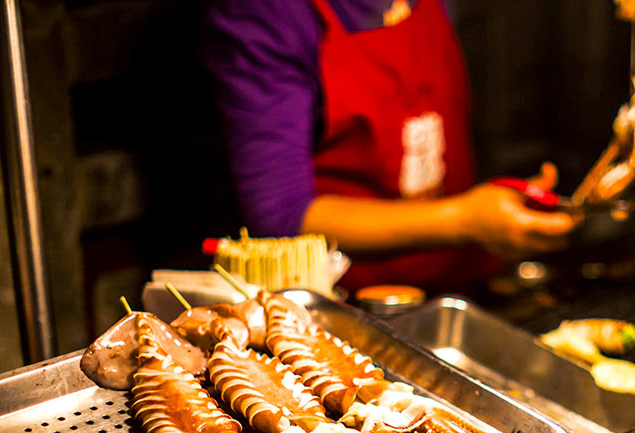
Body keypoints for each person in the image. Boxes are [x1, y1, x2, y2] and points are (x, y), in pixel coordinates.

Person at [200, 0, 581, 296]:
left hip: (457, 291)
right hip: (346, 312)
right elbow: (284, 218)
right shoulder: (264, 13)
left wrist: (503, 213)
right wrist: (465, 220)